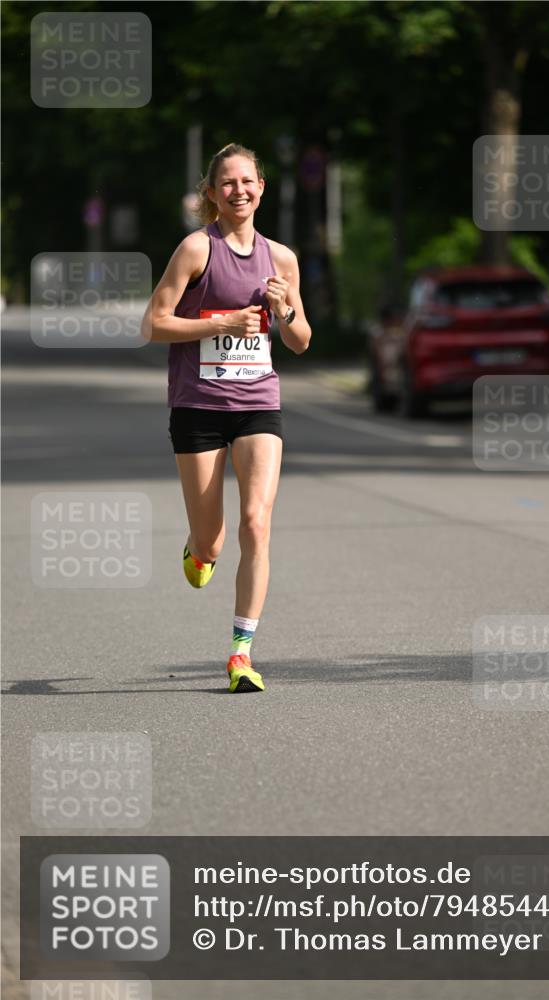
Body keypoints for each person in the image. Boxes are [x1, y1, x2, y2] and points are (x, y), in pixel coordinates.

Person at [142, 142, 311, 692]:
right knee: (213, 541)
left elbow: (301, 340)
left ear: (262, 187)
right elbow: (154, 324)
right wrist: (221, 325)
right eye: (228, 183)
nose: (240, 191)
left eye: (248, 181)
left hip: (258, 403)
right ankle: (197, 550)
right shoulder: (197, 249)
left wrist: (283, 309)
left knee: (257, 522)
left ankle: (241, 652)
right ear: (212, 194)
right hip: (198, 406)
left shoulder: (282, 258)